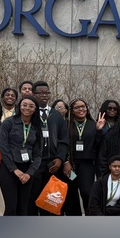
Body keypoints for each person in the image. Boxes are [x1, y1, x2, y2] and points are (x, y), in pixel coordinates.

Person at [29, 80, 70, 216]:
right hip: (34, 163)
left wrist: (59, 159)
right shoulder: (29, 113)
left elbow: (64, 140)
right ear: (33, 95)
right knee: (33, 199)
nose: (44, 96)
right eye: (40, 93)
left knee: (50, 200)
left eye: (46, 93)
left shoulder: (57, 116)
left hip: (52, 163)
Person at [0, 94, 42, 215]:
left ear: (35, 109)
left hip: (27, 170)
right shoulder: (8, 123)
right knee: (11, 208)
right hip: (9, 169)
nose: (27, 108)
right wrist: (15, 170)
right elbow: (3, 148)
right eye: (24, 105)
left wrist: (29, 173)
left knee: (23, 208)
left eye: (31, 106)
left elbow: (38, 155)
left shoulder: (37, 128)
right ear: (19, 106)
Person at [64, 99, 104, 214]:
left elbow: (99, 145)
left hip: (87, 165)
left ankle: (90, 216)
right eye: (77, 107)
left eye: (83, 106)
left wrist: (99, 131)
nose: (81, 109)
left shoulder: (93, 124)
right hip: (71, 165)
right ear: (72, 111)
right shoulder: (67, 125)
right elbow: (64, 144)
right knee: (71, 192)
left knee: (87, 192)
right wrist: (66, 162)